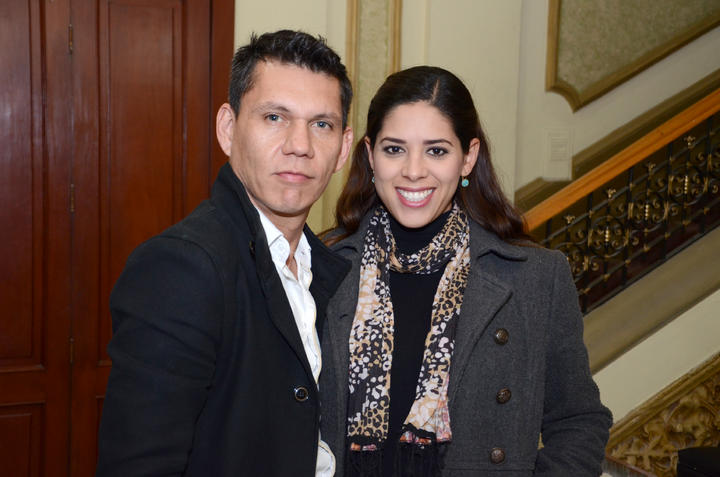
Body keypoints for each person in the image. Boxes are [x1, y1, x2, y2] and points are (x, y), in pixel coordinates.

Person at [319, 66, 612, 477]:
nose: (413, 170)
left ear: (468, 157)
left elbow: (578, 420)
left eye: (437, 151)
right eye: (394, 149)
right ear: (370, 155)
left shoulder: (535, 277)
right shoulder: (320, 266)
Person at [96, 30, 354, 476]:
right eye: (274, 117)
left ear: (343, 149)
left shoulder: (331, 267)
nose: (300, 145)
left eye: (321, 125)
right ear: (228, 129)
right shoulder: (181, 267)